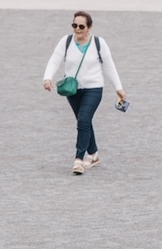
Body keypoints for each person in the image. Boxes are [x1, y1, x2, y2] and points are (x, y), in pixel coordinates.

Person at [41, 11, 127, 175]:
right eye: (74, 25)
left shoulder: (98, 43)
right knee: (84, 122)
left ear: (89, 27)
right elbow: (54, 60)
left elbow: (109, 66)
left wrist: (118, 87)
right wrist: (47, 78)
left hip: (94, 88)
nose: (77, 29)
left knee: (83, 120)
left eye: (81, 26)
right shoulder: (66, 41)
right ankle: (93, 155)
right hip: (72, 90)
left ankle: (79, 160)